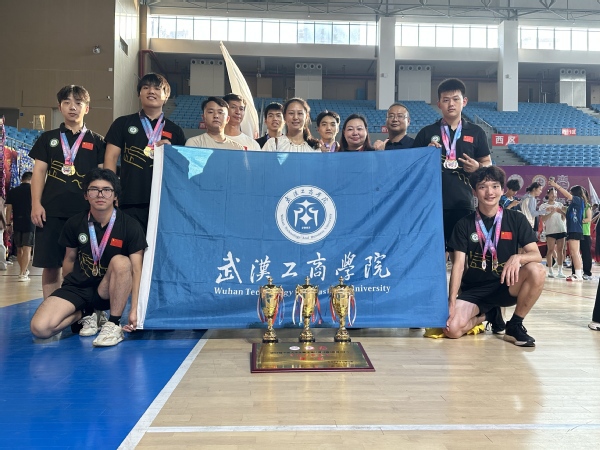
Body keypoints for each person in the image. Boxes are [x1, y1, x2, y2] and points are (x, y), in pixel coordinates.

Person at [30, 168, 147, 347]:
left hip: (106, 290)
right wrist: (68, 291)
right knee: (40, 329)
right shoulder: (74, 223)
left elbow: (137, 270)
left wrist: (135, 309)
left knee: (122, 262)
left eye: (106, 190)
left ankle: (113, 323)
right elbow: (68, 261)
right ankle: (85, 312)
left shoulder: (130, 226)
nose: (100, 194)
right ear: (86, 195)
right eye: (94, 189)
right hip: (79, 288)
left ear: (115, 196)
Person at [445, 166, 545, 347]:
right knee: (451, 329)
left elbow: (536, 255)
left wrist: (518, 258)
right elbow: (458, 265)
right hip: (475, 289)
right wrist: (451, 300)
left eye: (495, 186)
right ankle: (488, 315)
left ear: (502, 189)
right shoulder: (464, 224)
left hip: (506, 285)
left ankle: (514, 325)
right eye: (483, 187)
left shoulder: (516, 219)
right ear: (474, 191)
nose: (490, 192)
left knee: (536, 270)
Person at [29, 85, 106, 300]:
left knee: (85, 264)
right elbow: (39, 172)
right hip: (50, 211)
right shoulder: (47, 138)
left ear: (87, 108)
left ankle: (81, 309)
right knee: (50, 264)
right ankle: (50, 307)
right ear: (60, 107)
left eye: (78, 103)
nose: (73, 107)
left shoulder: (97, 141)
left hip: (85, 213)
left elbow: (104, 178)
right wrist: (36, 204)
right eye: (67, 103)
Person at [412, 78, 492, 254]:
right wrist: (425, 155)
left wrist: (478, 166)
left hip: (463, 202)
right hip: (432, 203)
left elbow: (488, 162)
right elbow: (413, 167)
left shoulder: (476, 132)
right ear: (439, 104)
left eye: (456, 99)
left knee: (461, 252)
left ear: (464, 101)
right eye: (446, 100)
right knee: (434, 252)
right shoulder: (427, 133)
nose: (451, 104)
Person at [104, 73, 186, 232]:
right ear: (139, 94)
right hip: (129, 199)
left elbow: (181, 169)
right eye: (146, 87)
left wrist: (171, 152)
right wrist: (110, 190)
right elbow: (111, 158)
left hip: (163, 201)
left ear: (166, 96)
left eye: (157, 88)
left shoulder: (175, 131)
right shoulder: (123, 123)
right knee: (130, 244)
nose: (151, 91)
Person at [549, 180, 588, 282]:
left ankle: (578, 275)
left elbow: (567, 195)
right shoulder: (574, 204)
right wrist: (561, 212)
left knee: (575, 252)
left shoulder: (578, 200)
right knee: (575, 253)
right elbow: (570, 217)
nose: (569, 194)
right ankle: (578, 274)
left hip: (575, 229)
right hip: (573, 229)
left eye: (571, 192)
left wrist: (555, 185)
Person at [5, 172, 35, 281]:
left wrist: (8, 224)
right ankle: (23, 273)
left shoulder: (13, 191)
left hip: (17, 222)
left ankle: (22, 271)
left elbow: (9, 209)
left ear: (21, 179)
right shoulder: (34, 191)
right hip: (30, 222)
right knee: (27, 248)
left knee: (19, 249)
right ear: (32, 179)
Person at [539, 187, 567, 279]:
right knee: (550, 250)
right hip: (550, 230)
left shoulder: (560, 204)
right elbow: (543, 219)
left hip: (561, 229)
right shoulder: (543, 206)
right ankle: (550, 271)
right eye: (552, 193)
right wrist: (551, 212)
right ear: (548, 194)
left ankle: (560, 271)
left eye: (555, 194)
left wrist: (562, 212)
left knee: (560, 250)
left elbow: (563, 217)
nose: (553, 195)